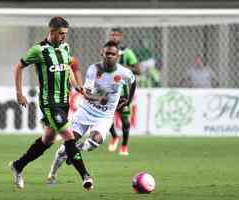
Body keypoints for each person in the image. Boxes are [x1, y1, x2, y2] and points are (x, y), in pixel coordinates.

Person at [9, 16, 93, 191]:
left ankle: (18, 165)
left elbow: (67, 66)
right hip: (49, 103)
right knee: (69, 136)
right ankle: (85, 176)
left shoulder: (65, 47)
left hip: (64, 101)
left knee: (48, 140)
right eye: (61, 33)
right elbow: (18, 67)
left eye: (65, 34)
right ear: (52, 31)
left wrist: (76, 85)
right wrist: (19, 93)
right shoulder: (38, 50)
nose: (64, 37)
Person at [47, 41, 136, 184]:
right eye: (107, 53)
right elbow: (86, 94)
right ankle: (52, 174)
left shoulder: (123, 73)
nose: (110, 56)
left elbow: (133, 81)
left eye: (113, 54)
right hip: (85, 111)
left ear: (117, 56)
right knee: (64, 148)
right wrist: (99, 98)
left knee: (96, 140)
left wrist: (128, 101)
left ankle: (76, 150)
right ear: (102, 53)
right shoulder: (93, 70)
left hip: (104, 116)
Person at [108, 28, 140, 155]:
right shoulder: (107, 51)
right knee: (106, 118)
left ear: (121, 37)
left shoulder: (127, 53)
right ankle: (115, 136)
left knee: (125, 122)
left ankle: (124, 146)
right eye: (112, 35)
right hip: (109, 92)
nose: (114, 37)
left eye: (117, 35)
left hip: (123, 93)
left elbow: (138, 70)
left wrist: (123, 68)